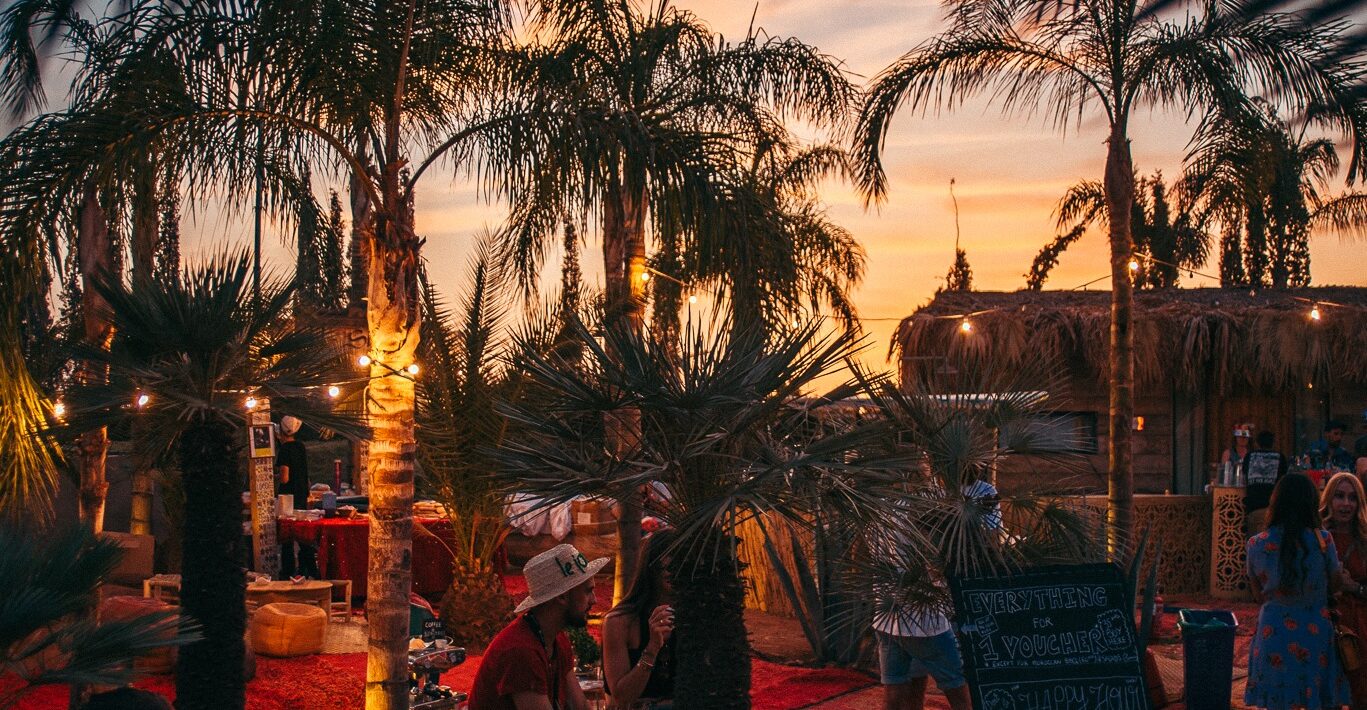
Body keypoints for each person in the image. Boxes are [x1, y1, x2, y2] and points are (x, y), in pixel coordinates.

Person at [1245, 473, 1351, 709]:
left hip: (1273, 630)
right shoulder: (1323, 541)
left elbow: (1257, 595)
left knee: (1278, 700)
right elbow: (1335, 585)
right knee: (1317, 698)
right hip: (1314, 630)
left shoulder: (1255, 544)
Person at [468, 543, 605, 710]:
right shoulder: (521, 651)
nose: (594, 600)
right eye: (588, 591)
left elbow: (580, 706)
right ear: (562, 597)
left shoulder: (556, 638)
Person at [603, 529, 677, 709]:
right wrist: (652, 647)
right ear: (652, 568)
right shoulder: (620, 622)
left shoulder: (696, 616)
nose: (677, 573)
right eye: (668, 568)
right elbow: (622, 698)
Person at [1323, 471, 1367, 709]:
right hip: (1326, 620)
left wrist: (1353, 586)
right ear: (1329, 499)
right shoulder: (1318, 537)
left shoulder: (1364, 539)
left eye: (1352, 498)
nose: (1346, 504)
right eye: (1339, 496)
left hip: (1360, 624)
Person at [275, 415, 316, 578]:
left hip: (288, 498)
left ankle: (288, 571)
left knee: (287, 536)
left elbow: (285, 477)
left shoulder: (284, 450)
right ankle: (310, 569)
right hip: (301, 494)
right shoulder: (300, 447)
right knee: (302, 535)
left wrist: (274, 475)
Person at [1244, 431, 1289, 535]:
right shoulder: (1280, 457)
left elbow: (1244, 474)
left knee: (1254, 539)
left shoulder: (1249, 456)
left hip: (1253, 508)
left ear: (1257, 443)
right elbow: (1284, 479)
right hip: (1274, 509)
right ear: (1273, 443)